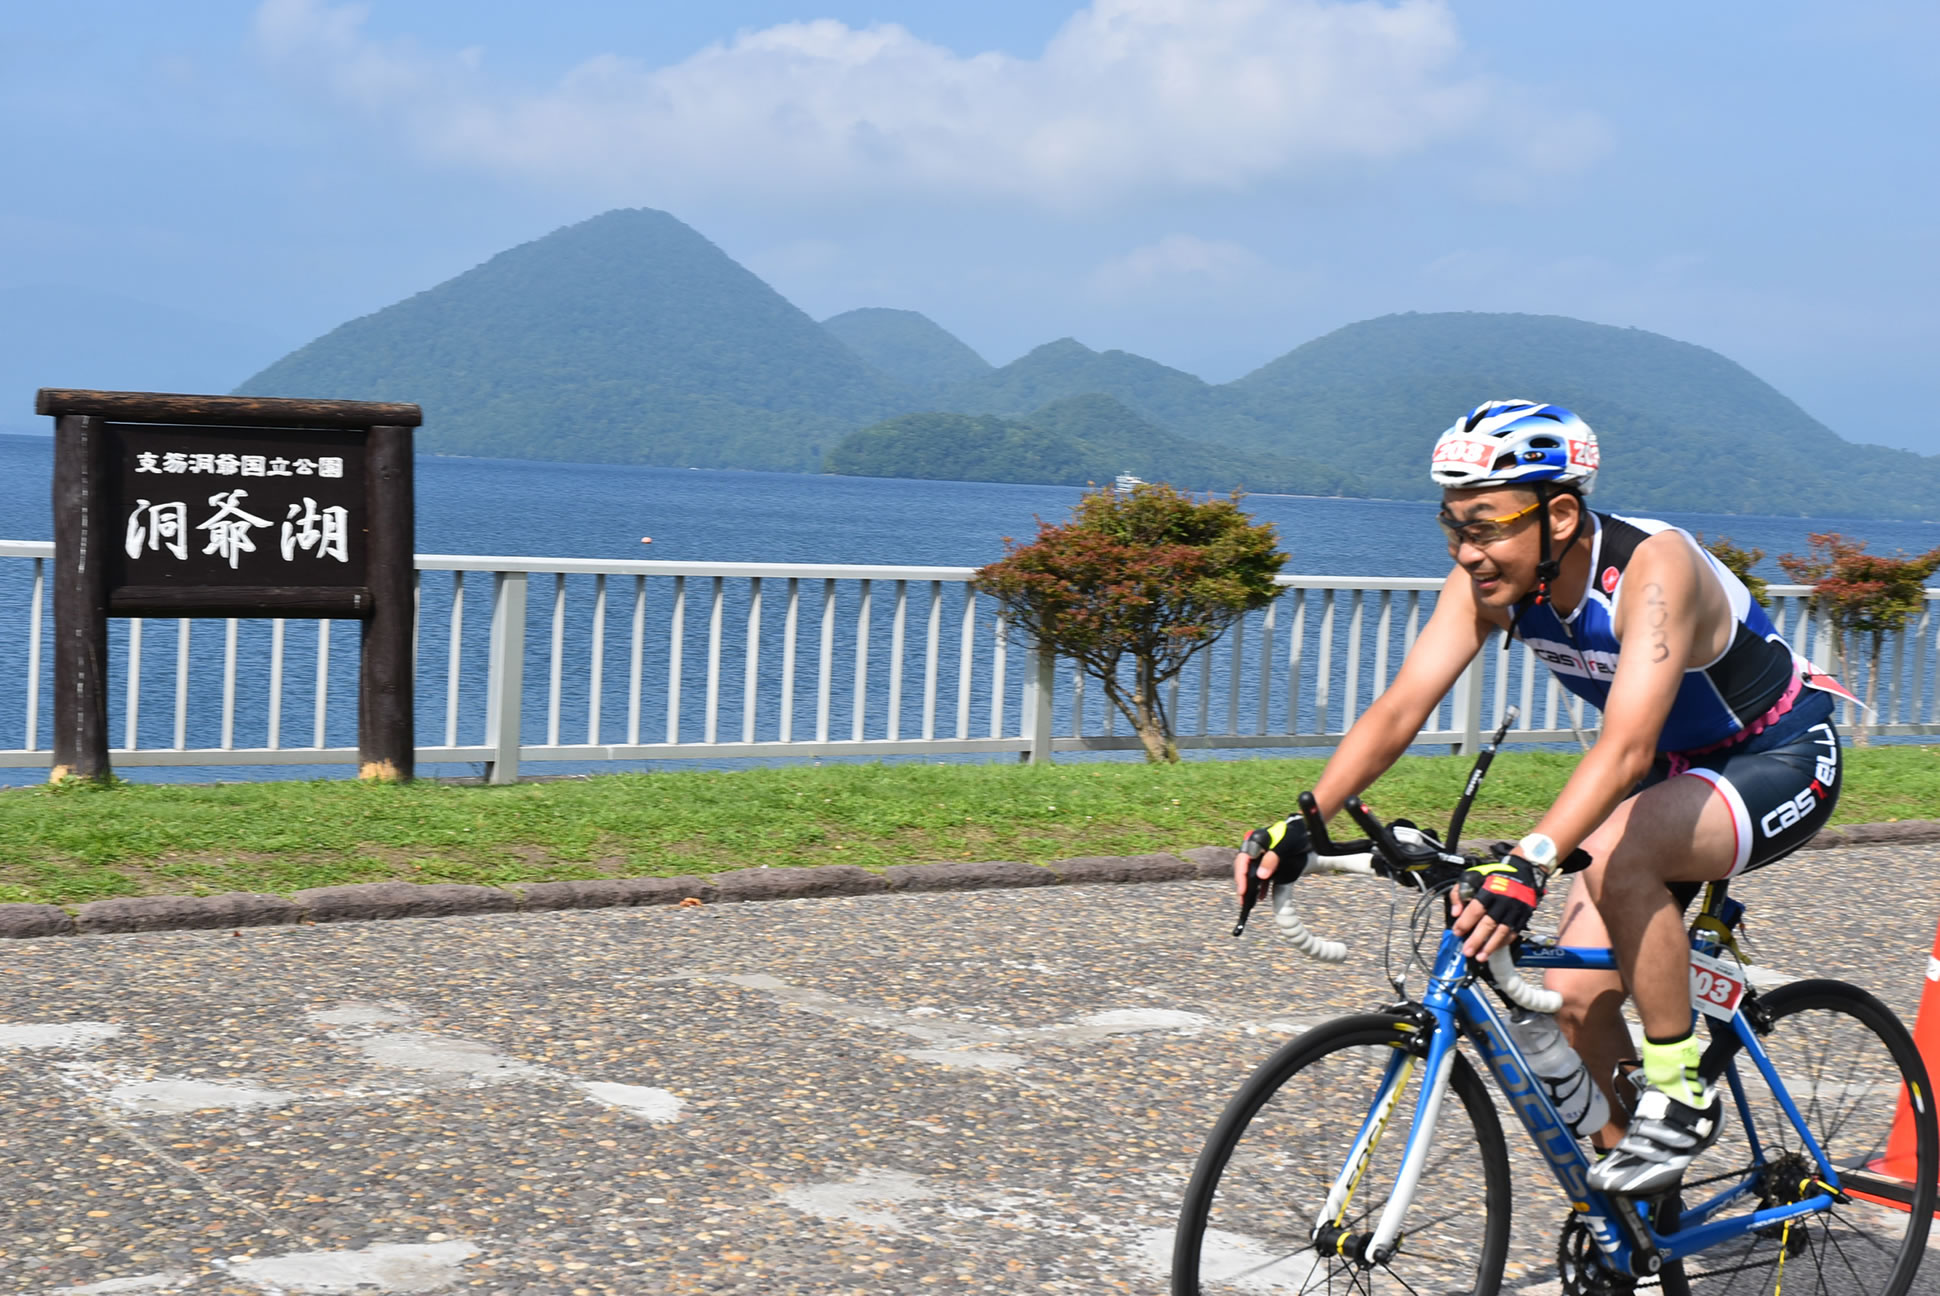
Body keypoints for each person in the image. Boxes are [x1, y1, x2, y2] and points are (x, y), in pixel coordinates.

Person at [1235, 399, 1845, 1197]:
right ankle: (1643, 1223)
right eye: (1452, 525)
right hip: (1674, 767)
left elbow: (1624, 751)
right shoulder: (1493, 583)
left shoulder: (1654, 570)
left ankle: (1682, 1090)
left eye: (1485, 525)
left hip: (1780, 753)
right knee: (1576, 1000)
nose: (1467, 551)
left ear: (1559, 515)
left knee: (1624, 864)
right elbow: (1400, 707)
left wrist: (1528, 864)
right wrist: (1304, 823)